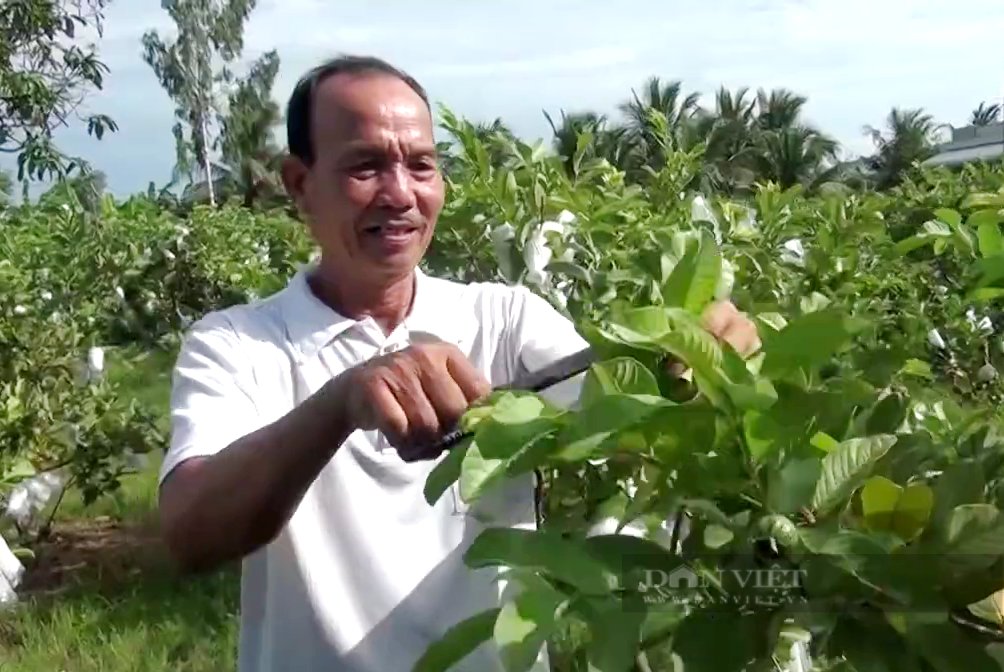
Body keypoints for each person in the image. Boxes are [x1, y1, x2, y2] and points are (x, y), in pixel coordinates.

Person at [157, 54, 761, 672]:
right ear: (300, 184)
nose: (401, 193)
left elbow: (625, 423)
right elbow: (190, 534)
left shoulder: (504, 320)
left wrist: (696, 368)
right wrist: (342, 401)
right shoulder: (235, 343)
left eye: (421, 165)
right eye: (365, 166)